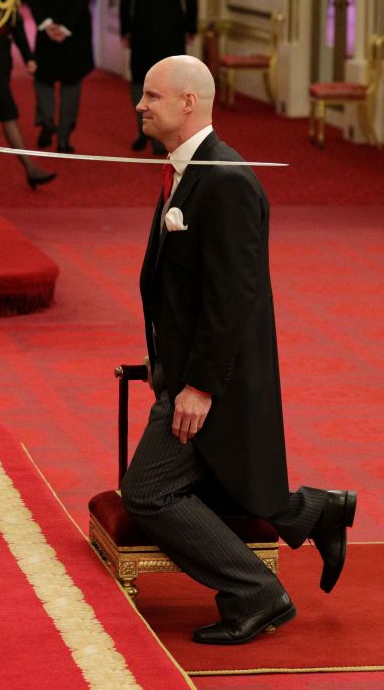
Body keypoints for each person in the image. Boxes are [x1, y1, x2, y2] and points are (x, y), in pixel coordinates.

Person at [120, 54, 356, 645]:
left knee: (147, 492)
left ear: (188, 104)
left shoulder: (224, 181)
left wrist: (198, 386)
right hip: (184, 372)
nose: (139, 106)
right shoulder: (188, 169)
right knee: (224, 480)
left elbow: (232, 300)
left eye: (151, 96)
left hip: (214, 383)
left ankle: (256, 592)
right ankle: (313, 512)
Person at [119, 0, 198, 154]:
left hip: (142, 27)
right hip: (172, 28)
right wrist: (191, 26)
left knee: (140, 81)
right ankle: (163, 135)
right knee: (170, 84)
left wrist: (125, 28)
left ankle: (144, 130)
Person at [25, 0, 95, 154]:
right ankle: (64, 138)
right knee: (71, 84)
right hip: (74, 33)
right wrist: (65, 27)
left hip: (46, 32)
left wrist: (46, 24)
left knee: (43, 78)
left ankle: (46, 122)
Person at [0, 0, 55, 189]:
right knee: (6, 112)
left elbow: (15, 25)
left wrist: (28, 57)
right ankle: (29, 167)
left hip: (3, 53)